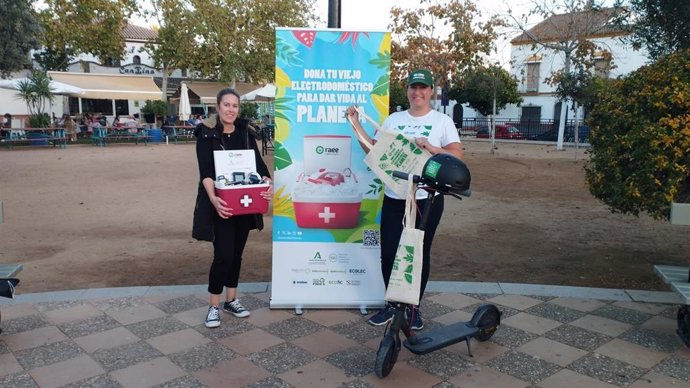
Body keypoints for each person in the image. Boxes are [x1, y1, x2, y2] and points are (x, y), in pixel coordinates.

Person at [346, 69, 463, 330]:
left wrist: (433, 149)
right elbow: (375, 149)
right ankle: (392, 305)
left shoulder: (442, 121)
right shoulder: (394, 119)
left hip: (425, 199)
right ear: (408, 90)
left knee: (417, 254)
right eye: (413, 87)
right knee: (389, 252)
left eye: (423, 88)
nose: (417, 93)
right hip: (395, 196)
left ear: (431, 91)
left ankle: (413, 309)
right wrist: (356, 124)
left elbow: (457, 156)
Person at [192, 88, 273, 328]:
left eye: (235, 106)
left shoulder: (246, 134)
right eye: (226, 105)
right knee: (223, 255)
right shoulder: (206, 135)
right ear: (218, 108)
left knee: (236, 254)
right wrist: (215, 199)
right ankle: (214, 305)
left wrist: (268, 183)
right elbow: (206, 173)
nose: (231, 109)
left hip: (245, 204)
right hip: (222, 204)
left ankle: (232, 299)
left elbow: (260, 168)